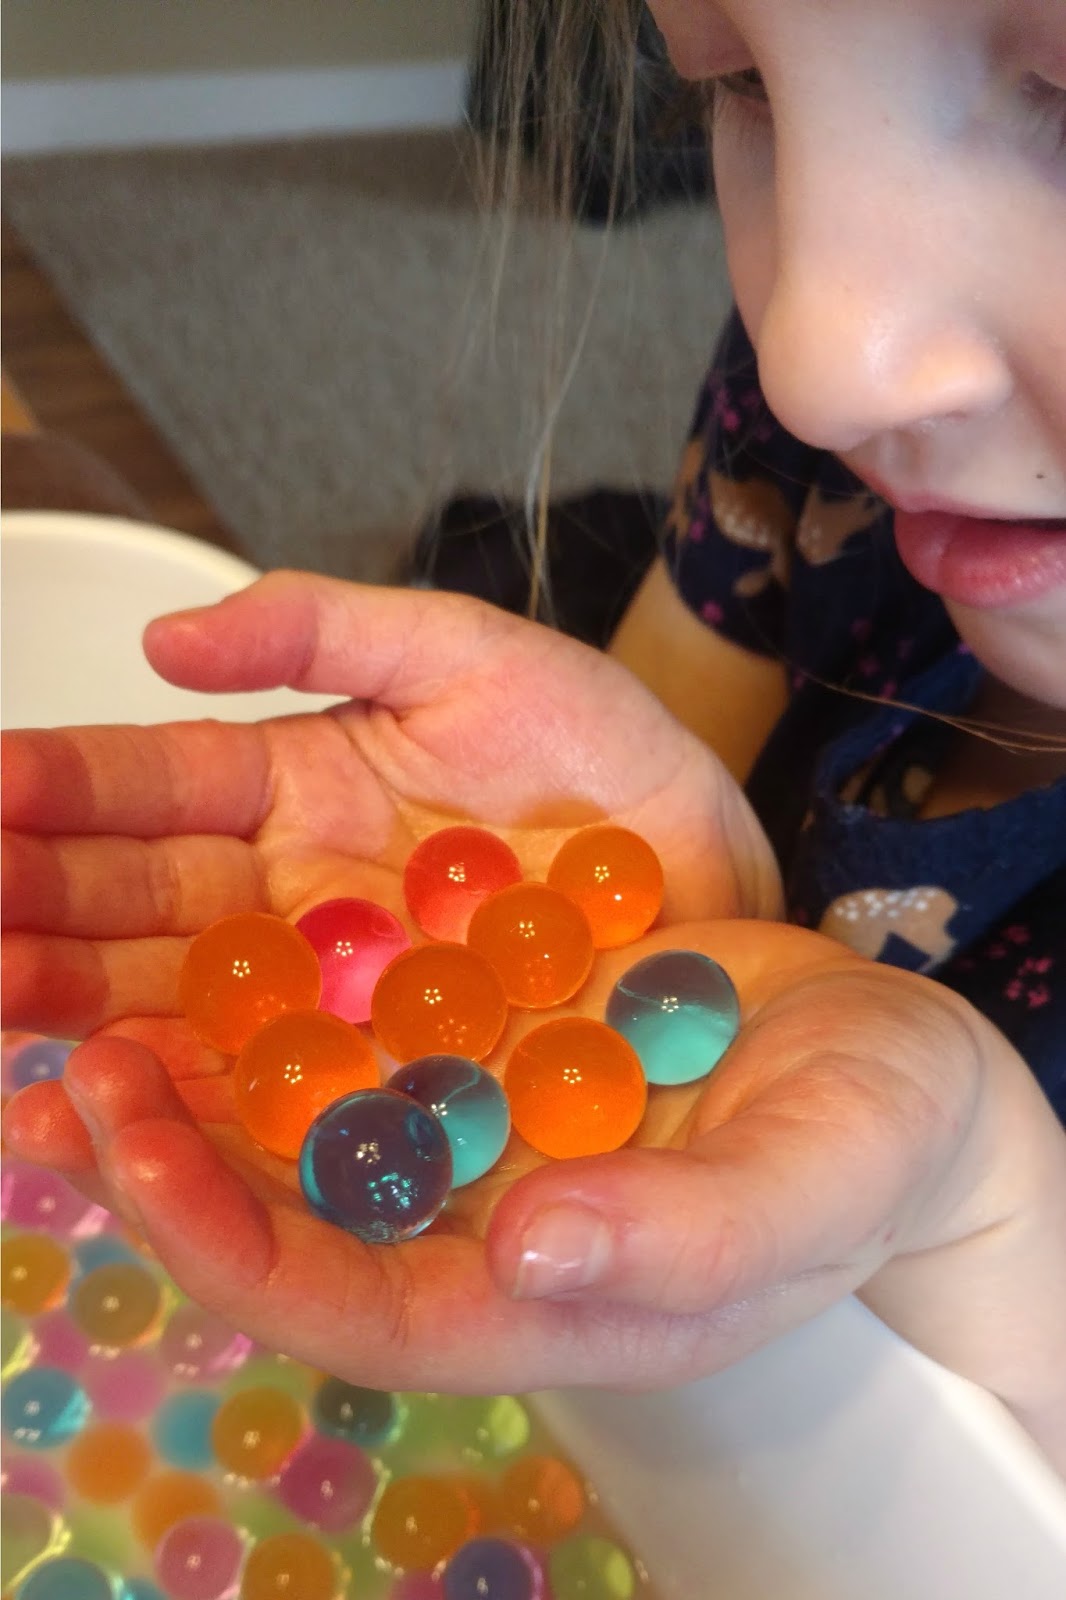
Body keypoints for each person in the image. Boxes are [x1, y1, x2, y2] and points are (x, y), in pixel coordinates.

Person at [4, 0, 1066, 1473]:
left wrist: (980, 1192)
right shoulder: (807, 436)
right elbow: (633, 826)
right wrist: (642, 832)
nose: (814, 359)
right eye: (745, 82)